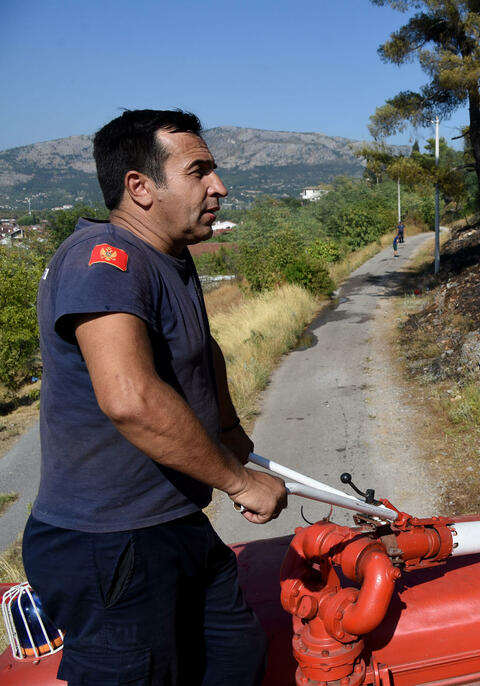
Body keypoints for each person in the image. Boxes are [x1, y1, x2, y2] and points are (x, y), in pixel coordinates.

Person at [22, 109, 288, 686]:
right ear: (140, 187)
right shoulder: (103, 260)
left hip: (171, 522)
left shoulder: (168, 254)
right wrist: (239, 482)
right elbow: (131, 399)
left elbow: (201, 345)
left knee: (236, 657)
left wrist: (228, 430)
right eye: (199, 172)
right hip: (109, 543)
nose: (219, 186)